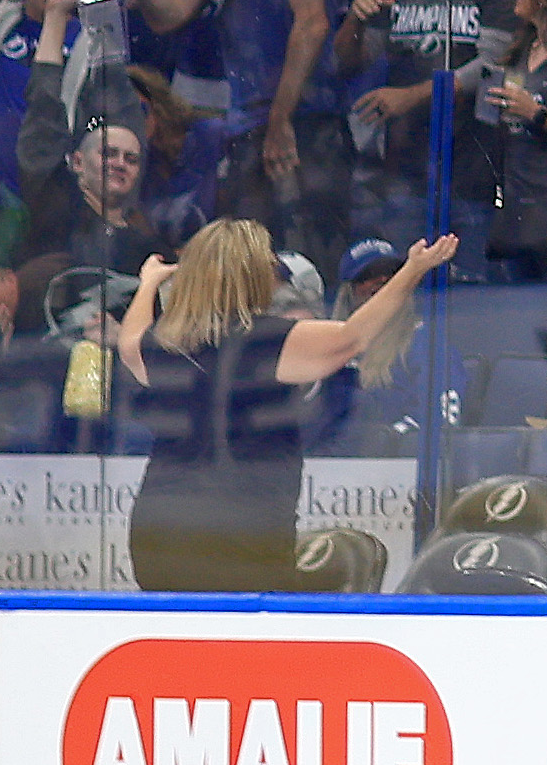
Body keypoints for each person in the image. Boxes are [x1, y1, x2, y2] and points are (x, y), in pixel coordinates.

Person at [109, 217, 460, 590]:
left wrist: (149, 283)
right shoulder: (268, 341)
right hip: (240, 533)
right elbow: (353, 338)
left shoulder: (163, 343)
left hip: (157, 531)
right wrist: (413, 270)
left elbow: (129, 341)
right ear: (254, 276)